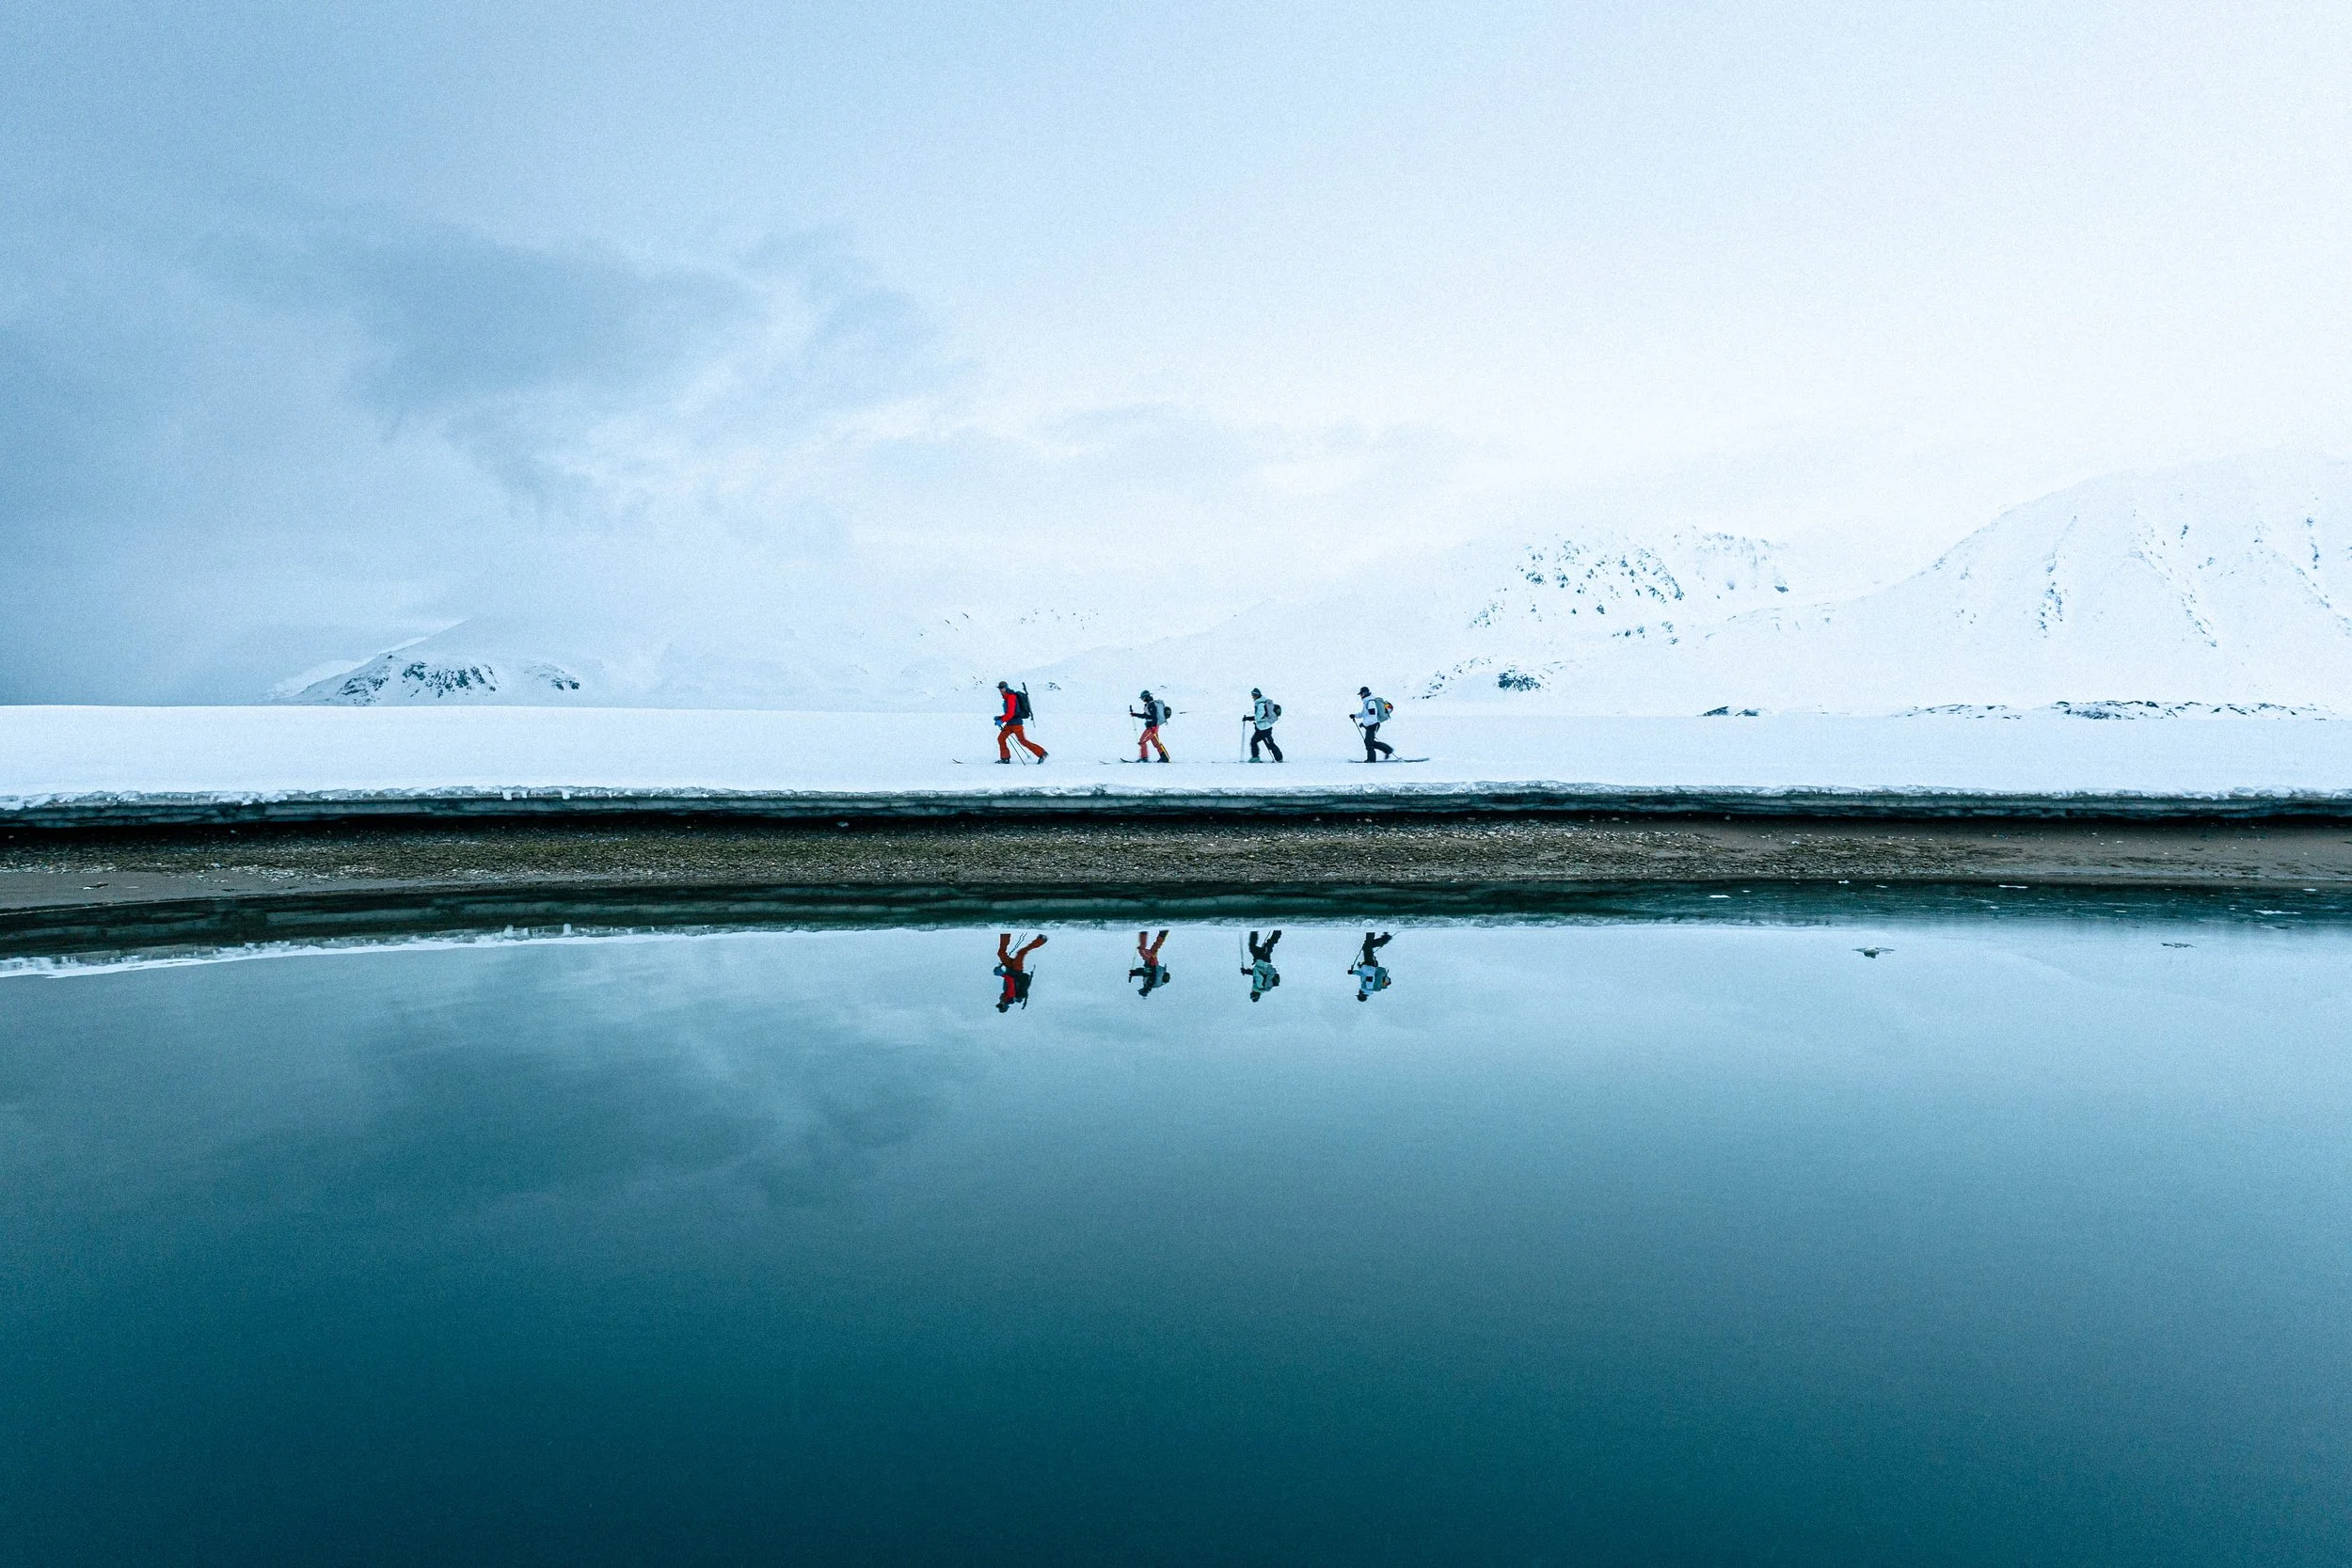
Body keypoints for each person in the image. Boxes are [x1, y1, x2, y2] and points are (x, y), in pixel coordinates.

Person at [995, 680, 1046, 764]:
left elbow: (1011, 713)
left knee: (1023, 741)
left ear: (1006, 688)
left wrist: (1001, 720)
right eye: (999, 688)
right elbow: (1009, 713)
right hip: (1010, 724)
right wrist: (1000, 718)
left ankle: (1042, 753)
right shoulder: (1007, 697)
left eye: (1002, 688)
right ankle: (1005, 758)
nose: (1000, 690)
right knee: (1001, 738)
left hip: (1016, 724)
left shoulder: (1011, 697)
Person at [995, 931, 1046, 1011]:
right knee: (1021, 953)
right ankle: (1041, 940)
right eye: (1002, 1005)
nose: (1001, 1003)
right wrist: (1001, 974)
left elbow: (1008, 979)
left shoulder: (1005, 995)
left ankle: (1005, 933)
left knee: (1001, 953)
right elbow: (1010, 980)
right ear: (1006, 1005)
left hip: (1009, 968)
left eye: (999, 1004)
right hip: (1016, 969)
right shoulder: (1011, 995)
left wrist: (1002, 972)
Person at [1353, 686, 1394, 762]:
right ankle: (1387, 750)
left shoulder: (1370, 702)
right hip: (1371, 724)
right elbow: (1364, 714)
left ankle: (1371, 759)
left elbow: (1373, 715)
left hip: (1373, 725)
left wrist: (1365, 724)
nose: (1361, 696)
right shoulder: (1367, 702)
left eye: (1361, 694)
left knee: (1369, 743)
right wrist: (1355, 715)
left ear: (1365, 693)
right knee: (1369, 742)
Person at [1350, 930, 1392, 1001]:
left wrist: (1353, 972)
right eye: (1359, 994)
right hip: (1370, 965)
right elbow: (1370, 977)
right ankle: (1370, 931)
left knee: (1367, 947)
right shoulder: (1368, 988)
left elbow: (1362, 974)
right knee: (1367, 947)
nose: (1358, 992)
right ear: (1362, 995)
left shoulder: (1364, 987)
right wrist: (1366, 969)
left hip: (1367, 966)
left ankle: (1385, 938)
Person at [1241, 928, 1282, 1001]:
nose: (1251, 992)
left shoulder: (1260, 987)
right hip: (1262, 961)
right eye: (1252, 994)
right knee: (1267, 945)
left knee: (1264, 946)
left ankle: (1255, 930)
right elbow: (1257, 974)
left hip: (1262, 961)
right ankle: (1277, 930)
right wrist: (1245, 971)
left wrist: (1246, 971)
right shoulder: (1259, 986)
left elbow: (1257, 974)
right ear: (1255, 994)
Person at [1131, 689, 1171, 762]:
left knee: (1142, 741)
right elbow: (1146, 715)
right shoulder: (1149, 705)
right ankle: (1165, 758)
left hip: (1152, 727)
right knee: (1156, 743)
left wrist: (1153, 727)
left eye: (1143, 698)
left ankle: (1144, 758)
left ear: (1146, 697)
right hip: (1154, 726)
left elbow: (1154, 716)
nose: (1142, 700)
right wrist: (1135, 714)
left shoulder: (1151, 705)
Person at [1245, 688, 1283, 762]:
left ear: (1258, 695)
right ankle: (1255, 758)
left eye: (1254, 695)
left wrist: (1249, 718)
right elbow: (1259, 717)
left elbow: (1259, 717)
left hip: (1265, 729)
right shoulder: (1259, 703)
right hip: (1260, 728)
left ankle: (1279, 758)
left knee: (1270, 744)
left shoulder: (1261, 705)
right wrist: (1249, 718)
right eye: (1252, 695)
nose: (1253, 697)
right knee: (1253, 741)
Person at [1129, 928, 1172, 996]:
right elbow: (1146, 972)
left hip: (1153, 965)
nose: (1143, 987)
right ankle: (1144, 932)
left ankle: (1162, 934)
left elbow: (1145, 973)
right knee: (1143, 951)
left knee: (1153, 950)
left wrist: (1134, 973)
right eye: (1142, 989)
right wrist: (1134, 973)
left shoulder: (1151, 984)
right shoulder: (1149, 983)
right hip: (1152, 964)